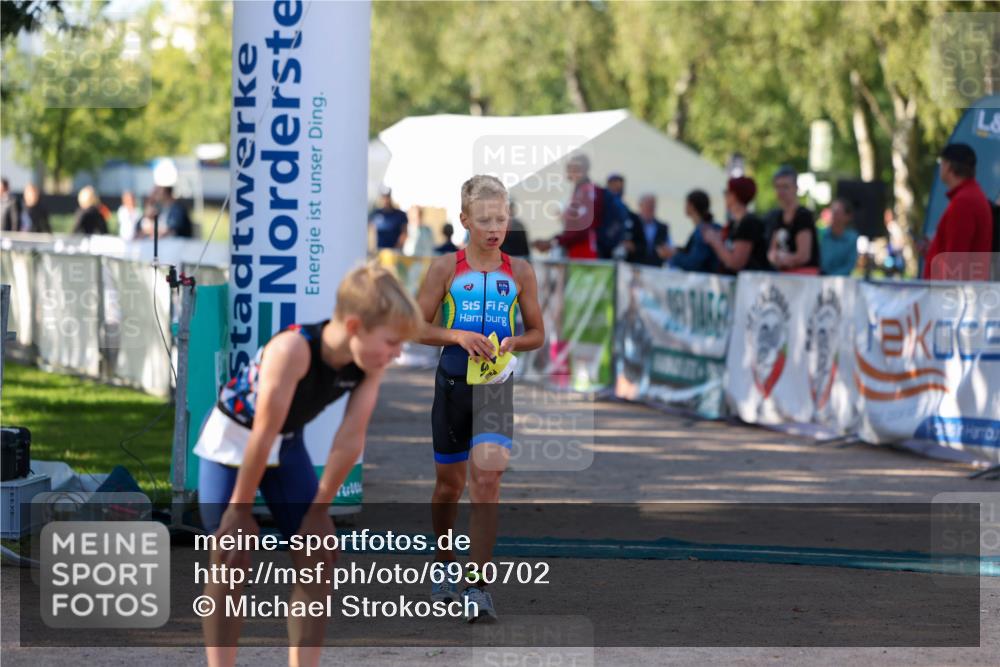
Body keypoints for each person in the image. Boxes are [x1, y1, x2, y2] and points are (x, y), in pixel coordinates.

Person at [194, 263, 422, 667]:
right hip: (232, 442)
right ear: (355, 326)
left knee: (317, 556)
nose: (397, 354)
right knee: (231, 556)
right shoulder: (292, 350)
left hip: (284, 444)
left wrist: (320, 511)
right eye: (391, 342)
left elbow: (351, 437)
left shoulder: (369, 364)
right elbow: (260, 433)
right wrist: (240, 509)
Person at [415, 175, 545, 622]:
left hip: (495, 389)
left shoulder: (520, 271)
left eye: (502, 218)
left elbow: (538, 334)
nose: (495, 227)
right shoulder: (445, 268)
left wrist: (513, 344)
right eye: (485, 219)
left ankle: (478, 586)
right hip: (451, 387)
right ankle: (444, 566)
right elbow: (415, 327)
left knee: (487, 484)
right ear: (465, 219)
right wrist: (456, 335)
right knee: (449, 487)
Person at [922, 143, 994, 280]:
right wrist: (934, 250)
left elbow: (955, 261)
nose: (940, 167)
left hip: (952, 296)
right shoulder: (971, 196)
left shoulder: (964, 202)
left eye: (940, 162)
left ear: (948, 166)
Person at [532, 152, 602, 260]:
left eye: (574, 167)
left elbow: (582, 229)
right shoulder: (578, 191)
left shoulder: (586, 191)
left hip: (583, 253)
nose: (569, 171)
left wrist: (554, 242)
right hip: (575, 252)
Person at [702, 176, 771, 274]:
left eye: (727, 192)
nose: (724, 196)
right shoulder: (734, 224)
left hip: (751, 285)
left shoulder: (749, 223)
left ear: (734, 195)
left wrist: (715, 242)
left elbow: (736, 263)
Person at [766, 165, 820, 274]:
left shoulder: (803, 215)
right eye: (778, 187)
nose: (781, 191)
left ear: (796, 188)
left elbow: (804, 255)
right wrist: (774, 257)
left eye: (785, 187)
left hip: (803, 277)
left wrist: (785, 259)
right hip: (784, 275)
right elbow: (772, 250)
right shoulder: (777, 216)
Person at [665, 189, 722, 273]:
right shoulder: (708, 227)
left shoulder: (704, 231)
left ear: (691, 206)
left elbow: (694, 263)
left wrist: (673, 255)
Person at [622, 194, 670, 266]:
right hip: (633, 266)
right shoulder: (631, 223)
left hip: (655, 268)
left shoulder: (662, 227)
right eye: (647, 205)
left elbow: (667, 248)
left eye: (652, 206)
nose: (650, 209)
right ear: (640, 206)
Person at [819, 198, 859, 276]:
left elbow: (849, 265)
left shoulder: (852, 238)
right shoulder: (822, 234)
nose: (834, 215)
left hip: (842, 281)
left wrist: (832, 277)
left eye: (838, 212)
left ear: (847, 217)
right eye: (833, 211)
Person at [369, 186, 408, 251]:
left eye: (387, 197)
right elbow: (371, 231)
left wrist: (397, 248)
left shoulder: (400, 215)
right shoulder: (376, 214)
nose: (385, 200)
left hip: (395, 252)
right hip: (379, 251)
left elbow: (404, 233)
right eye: (383, 197)